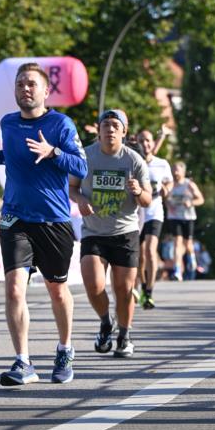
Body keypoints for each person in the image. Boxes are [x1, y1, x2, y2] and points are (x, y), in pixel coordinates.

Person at [0, 62, 87, 385]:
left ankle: (64, 348)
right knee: (13, 290)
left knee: (57, 291)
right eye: (20, 83)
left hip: (53, 220)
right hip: (15, 218)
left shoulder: (61, 124)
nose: (25, 88)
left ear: (46, 91)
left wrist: (53, 153)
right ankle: (23, 361)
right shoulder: (8, 123)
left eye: (31, 84)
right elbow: (16, 153)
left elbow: (82, 166)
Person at [70, 109, 151, 358]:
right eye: (106, 125)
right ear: (99, 129)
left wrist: (138, 191)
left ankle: (124, 335)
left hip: (125, 232)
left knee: (123, 290)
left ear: (124, 131)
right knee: (93, 285)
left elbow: (147, 200)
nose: (110, 129)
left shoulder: (134, 160)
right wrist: (80, 200)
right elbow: (72, 187)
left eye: (116, 125)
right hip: (94, 232)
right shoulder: (85, 156)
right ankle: (106, 322)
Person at [135, 128, 173, 308]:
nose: (146, 144)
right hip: (136, 214)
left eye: (148, 140)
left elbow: (169, 181)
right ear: (137, 142)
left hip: (155, 211)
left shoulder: (162, 163)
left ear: (152, 142)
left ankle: (149, 292)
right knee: (140, 256)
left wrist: (167, 188)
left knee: (150, 250)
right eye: (142, 140)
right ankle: (143, 287)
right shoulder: (133, 161)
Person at [164, 161, 204, 281]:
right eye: (173, 170)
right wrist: (168, 204)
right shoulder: (170, 185)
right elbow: (165, 197)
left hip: (188, 217)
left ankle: (191, 257)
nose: (175, 172)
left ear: (183, 172)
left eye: (177, 170)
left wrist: (191, 202)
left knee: (188, 244)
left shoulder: (189, 184)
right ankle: (177, 270)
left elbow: (201, 199)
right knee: (177, 242)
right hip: (174, 217)